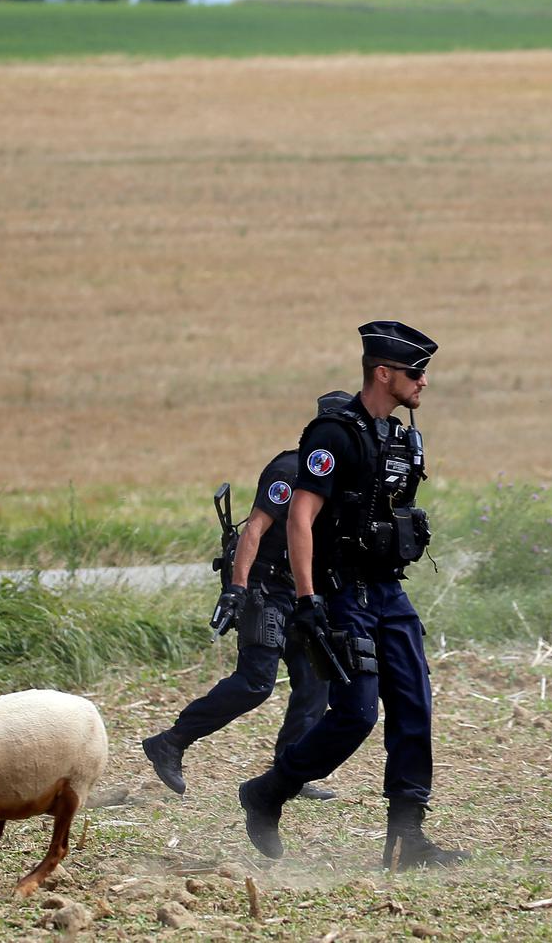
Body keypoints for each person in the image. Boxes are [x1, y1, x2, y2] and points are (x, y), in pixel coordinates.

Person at [238, 320, 467, 869]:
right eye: (416, 372)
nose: (424, 382)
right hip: (343, 595)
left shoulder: (397, 437)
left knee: (415, 707)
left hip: (389, 592)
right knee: (358, 713)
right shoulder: (333, 433)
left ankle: (408, 839)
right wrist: (308, 598)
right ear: (383, 373)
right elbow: (300, 516)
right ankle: (269, 791)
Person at [140, 393, 355, 800]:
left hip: (300, 593)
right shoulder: (290, 469)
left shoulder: (335, 479)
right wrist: (238, 590)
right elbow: (254, 529)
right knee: (255, 683)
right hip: (265, 588)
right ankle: (170, 742)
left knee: (314, 682)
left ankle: (289, 769)